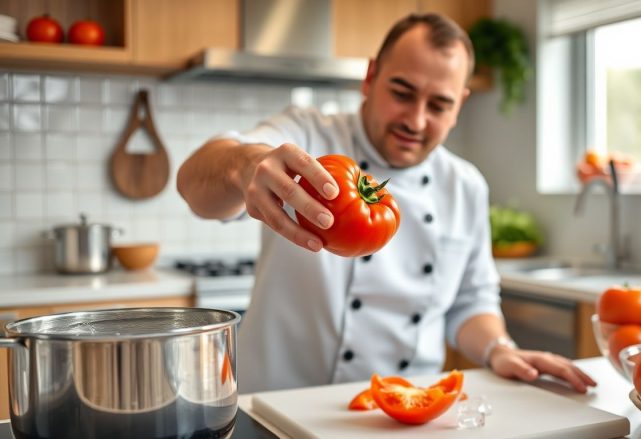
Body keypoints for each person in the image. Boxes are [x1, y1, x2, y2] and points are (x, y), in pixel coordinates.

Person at [177, 13, 596, 394]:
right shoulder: (308, 136)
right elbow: (194, 185)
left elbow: (471, 301)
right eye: (402, 91)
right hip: (275, 404)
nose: (415, 120)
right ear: (370, 77)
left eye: (439, 105)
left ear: (460, 107)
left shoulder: (465, 186)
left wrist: (500, 349)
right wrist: (243, 164)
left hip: (397, 412)